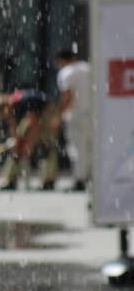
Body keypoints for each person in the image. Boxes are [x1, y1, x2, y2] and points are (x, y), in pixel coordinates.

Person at [0, 89, 59, 192]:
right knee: (17, 146)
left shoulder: (24, 102)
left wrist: (29, 144)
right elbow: (12, 124)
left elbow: (34, 124)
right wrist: (16, 141)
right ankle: (10, 178)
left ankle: (48, 179)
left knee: (46, 142)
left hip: (47, 112)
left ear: (6, 106)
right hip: (35, 115)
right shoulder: (12, 104)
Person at [55, 49, 92, 193]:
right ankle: (90, 177)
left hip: (76, 116)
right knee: (90, 148)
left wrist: (59, 115)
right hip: (92, 115)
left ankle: (79, 180)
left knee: (77, 148)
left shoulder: (67, 73)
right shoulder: (88, 68)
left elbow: (67, 96)